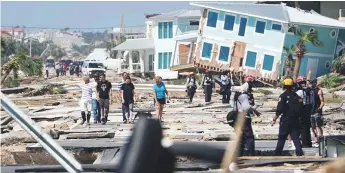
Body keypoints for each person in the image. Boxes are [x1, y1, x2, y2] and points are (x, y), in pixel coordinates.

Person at [272, 78, 303, 156]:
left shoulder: (282, 96)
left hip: (285, 120)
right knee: (296, 138)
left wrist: (274, 119)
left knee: (281, 138)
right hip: (295, 120)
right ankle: (299, 154)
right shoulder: (297, 96)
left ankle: (277, 155)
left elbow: (279, 109)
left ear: (284, 86)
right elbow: (301, 107)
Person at [233, 82, 261, 156]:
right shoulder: (244, 96)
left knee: (241, 138)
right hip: (244, 118)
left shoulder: (237, 95)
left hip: (237, 117)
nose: (250, 90)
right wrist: (255, 111)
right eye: (250, 88)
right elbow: (246, 107)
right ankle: (251, 153)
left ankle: (240, 153)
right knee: (249, 137)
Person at [295, 76, 314, 148]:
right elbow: (313, 102)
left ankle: (304, 144)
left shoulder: (299, 92)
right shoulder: (311, 91)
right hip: (308, 109)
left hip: (302, 110)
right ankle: (309, 143)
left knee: (302, 128)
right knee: (307, 127)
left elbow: (296, 101)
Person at [310, 78, 324, 147]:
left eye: (314, 82)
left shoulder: (319, 91)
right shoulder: (309, 90)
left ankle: (321, 139)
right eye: (312, 82)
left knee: (318, 126)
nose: (313, 83)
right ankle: (316, 140)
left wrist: (319, 108)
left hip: (317, 111)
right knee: (312, 127)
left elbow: (322, 102)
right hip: (310, 111)